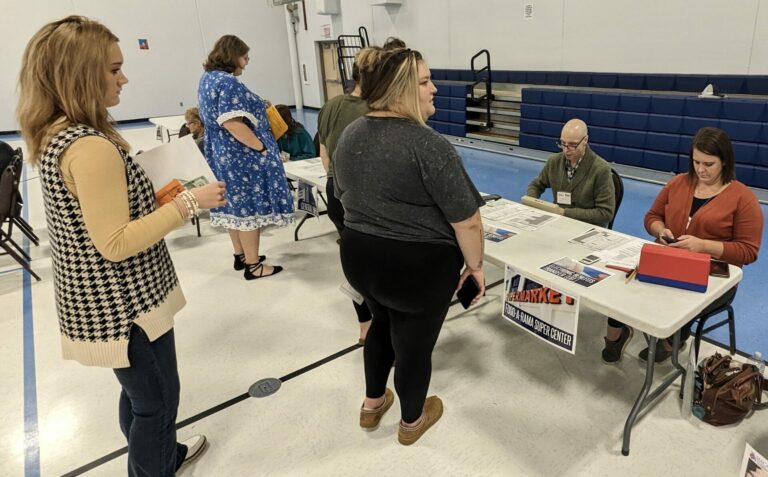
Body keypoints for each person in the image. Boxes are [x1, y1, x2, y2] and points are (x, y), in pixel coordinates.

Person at [17, 16, 226, 475]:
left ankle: (163, 455)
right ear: (79, 76)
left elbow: (96, 217)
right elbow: (114, 242)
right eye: (113, 69)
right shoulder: (90, 147)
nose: (124, 78)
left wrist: (152, 201)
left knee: (140, 396)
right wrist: (189, 202)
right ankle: (154, 466)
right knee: (157, 401)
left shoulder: (58, 134)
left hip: (102, 298)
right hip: (123, 303)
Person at [334, 47, 486, 445]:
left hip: (360, 259)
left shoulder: (351, 134)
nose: (434, 88)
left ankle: (371, 404)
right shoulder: (427, 145)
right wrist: (476, 267)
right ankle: (412, 421)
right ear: (402, 89)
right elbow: (467, 220)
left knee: (381, 324)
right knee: (414, 346)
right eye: (424, 82)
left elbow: (341, 193)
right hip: (416, 269)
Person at [601, 127, 763, 364]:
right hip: (668, 260)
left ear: (725, 162)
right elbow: (652, 217)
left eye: (709, 164)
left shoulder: (744, 199)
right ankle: (615, 338)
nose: (700, 169)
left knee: (683, 304)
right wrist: (661, 230)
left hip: (714, 274)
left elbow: (748, 251)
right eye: (696, 162)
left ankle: (672, 341)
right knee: (623, 285)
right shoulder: (678, 183)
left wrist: (704, 245)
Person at [198, 35, 294, 279]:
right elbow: (232, 123)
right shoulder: (229, 83)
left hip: (221, 153)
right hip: (240, 157)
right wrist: (261, 147)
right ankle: (254, 265)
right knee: (248, 207)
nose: (247, 61)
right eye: (245, 56)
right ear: (233, 55)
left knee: (232, 205)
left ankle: (240, 255)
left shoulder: (208, 79)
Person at [317, 52, 373, 343]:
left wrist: (337, 185)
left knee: (353, 257)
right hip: (366, 199)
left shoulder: (331, 105)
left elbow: (325, 155)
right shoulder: (377, 109)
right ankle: (379, 320)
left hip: (336, 193)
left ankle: (364, 322)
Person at [526, 119, 615, 227]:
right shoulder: (554, 161)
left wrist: (565, 212)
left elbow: (605, 213)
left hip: (586, 227)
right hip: (558, 223)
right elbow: (536, 185)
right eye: (563, 144)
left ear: (585, 140)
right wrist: (531, 202)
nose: (566, 150)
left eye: (573, 145)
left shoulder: (601, 169)